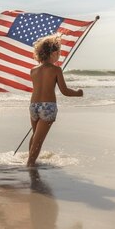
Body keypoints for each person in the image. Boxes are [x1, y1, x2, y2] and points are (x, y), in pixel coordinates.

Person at [27, 34, 83, 167]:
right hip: (48, 107)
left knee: (35, 136)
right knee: (38, 140)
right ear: (52, 53)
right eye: (58, 53)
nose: (59, 55)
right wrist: (78, 93)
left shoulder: (33, 70)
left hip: (33, 106)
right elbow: (65, 91)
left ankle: (30, 160)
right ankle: (30, 164)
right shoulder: (56, 70)